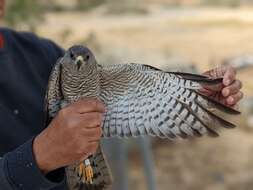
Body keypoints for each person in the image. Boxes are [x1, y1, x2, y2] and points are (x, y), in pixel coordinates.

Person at [0, 0, 243, 189]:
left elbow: (135, 97)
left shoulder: (40, 52)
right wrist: (40, 155)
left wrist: (197, 92)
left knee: (137, 73)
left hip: (77, 178)